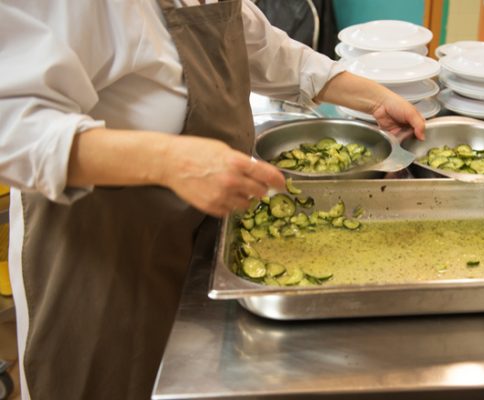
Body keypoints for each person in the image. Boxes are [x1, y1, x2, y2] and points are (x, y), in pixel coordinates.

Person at [0, 0, 425, 399]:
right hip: (95, 261)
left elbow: (254, 43)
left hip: (191, 242)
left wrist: (372, 96)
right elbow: (12, 128)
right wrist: (168, 161)